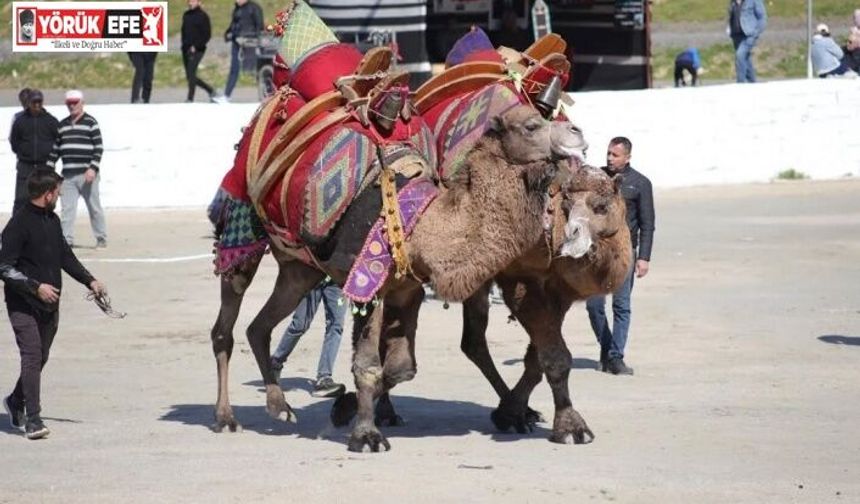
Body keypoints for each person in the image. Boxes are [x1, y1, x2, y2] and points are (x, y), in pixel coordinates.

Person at [1, 170, 107, 440]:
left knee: (40, 357)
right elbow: (4, 267)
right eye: (57, 192)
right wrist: (36, 287)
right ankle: (33, 419)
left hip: (50, 305)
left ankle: (15, 401)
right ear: (47, 193)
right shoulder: (18, 225)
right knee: (32, 355)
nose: (60, 196)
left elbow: (65, 256)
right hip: (23, 303)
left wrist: (90, 281)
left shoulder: (52, 219)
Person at [585, 137, 655, 376]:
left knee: (621, 306)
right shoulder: (597, 179)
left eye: (615, 155)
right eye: (608, 154)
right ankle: (606, 348)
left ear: (627, 157)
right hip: (598, 253)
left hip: (625, 253)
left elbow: (648, 224)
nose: (609, 158)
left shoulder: (641, 183)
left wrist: (644, 257)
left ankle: (616, 357)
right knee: (594, 305)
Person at [46, 90, 107, 248]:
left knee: (94, 208)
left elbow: (98, 148)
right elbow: (56, 150)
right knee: (67, 209)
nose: (72, 106)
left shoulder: (91, 122)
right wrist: (49, 170)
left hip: (87, 174)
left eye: (75, 102)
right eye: (69, 103)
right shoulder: (62, 125)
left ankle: (101, 237)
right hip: (67, 176)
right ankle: (67, 240)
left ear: (82, 103)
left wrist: (93, 168)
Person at [270, 278, 347, 398]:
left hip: (336, 279)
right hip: (312, 277)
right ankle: (275, 363)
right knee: (299, 325)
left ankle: (324, 378)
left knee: (336, 326)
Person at [8, 89, 59, 215]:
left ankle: (46, 229)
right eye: (34, 102)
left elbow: (59, 141)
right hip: (25, 166)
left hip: (45, 166)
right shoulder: (20, 121)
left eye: (39, 102)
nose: (36, 105)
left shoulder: (51, 121)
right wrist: (24, 154)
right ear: (29, 102)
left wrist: (51, 159)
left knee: (46, 199)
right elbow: (14, 142)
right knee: (21, 200)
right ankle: (17, 230)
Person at [223, 0, 264, 101]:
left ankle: (264, 95)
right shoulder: (237, 9)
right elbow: (233, 25)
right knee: (234, 69)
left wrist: (258, 42)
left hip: (250, 43)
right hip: (236, 42)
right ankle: (226, 96)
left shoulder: (254, 7)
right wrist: (227, 34)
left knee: (255, 70)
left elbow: (259, 25)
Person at [181, 0, 219, 103]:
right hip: (185, 49)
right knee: (190, 76)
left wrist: (196, 46)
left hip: (198, 49)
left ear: (198, 2)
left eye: (193, 1)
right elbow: (184, 31)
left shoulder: (203, 16)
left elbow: (207, 34)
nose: (190, 3)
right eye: (189, 1)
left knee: (191, 73)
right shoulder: (186, 15)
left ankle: (190, 98)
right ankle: (210, 90)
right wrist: (184, 45)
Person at [727, 0, 767, 83]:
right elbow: (731, 16)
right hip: (736, 35)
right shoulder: (733, 2)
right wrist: (729, 30)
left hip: (749, 35)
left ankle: (740, 82)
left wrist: (756, 32)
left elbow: (762, 17)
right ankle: (752, 82)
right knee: (746, 59)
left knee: (740, 55)